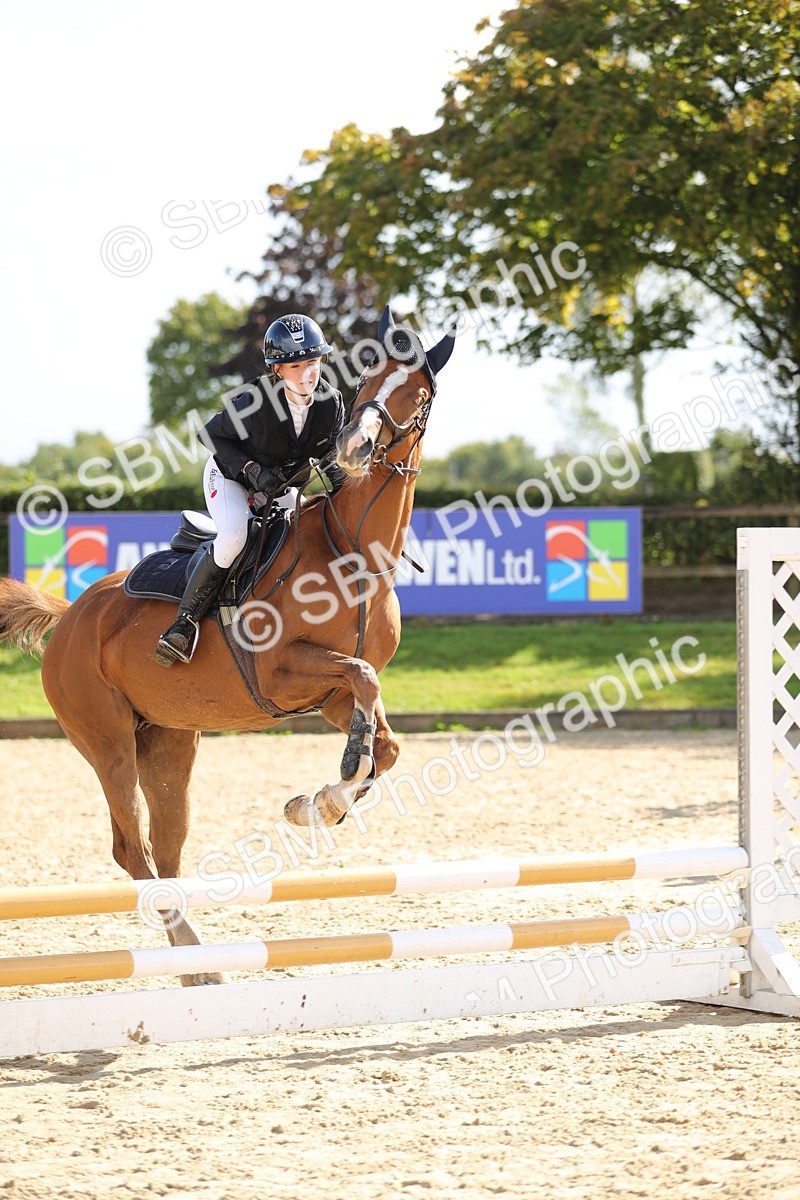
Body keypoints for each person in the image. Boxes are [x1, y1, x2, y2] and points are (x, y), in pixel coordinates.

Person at [155, 313, 347, 666]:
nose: (309, 373)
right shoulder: (255, 400)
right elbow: (210, 434)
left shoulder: (331, 402)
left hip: (281, 487)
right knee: (234, 538)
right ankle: (182, 625)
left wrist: (347, 495)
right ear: (278, 370)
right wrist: (252, 469)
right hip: (230, 477)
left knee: (301, 536)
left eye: (314, 362)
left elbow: (330, 460)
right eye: (297, 365)